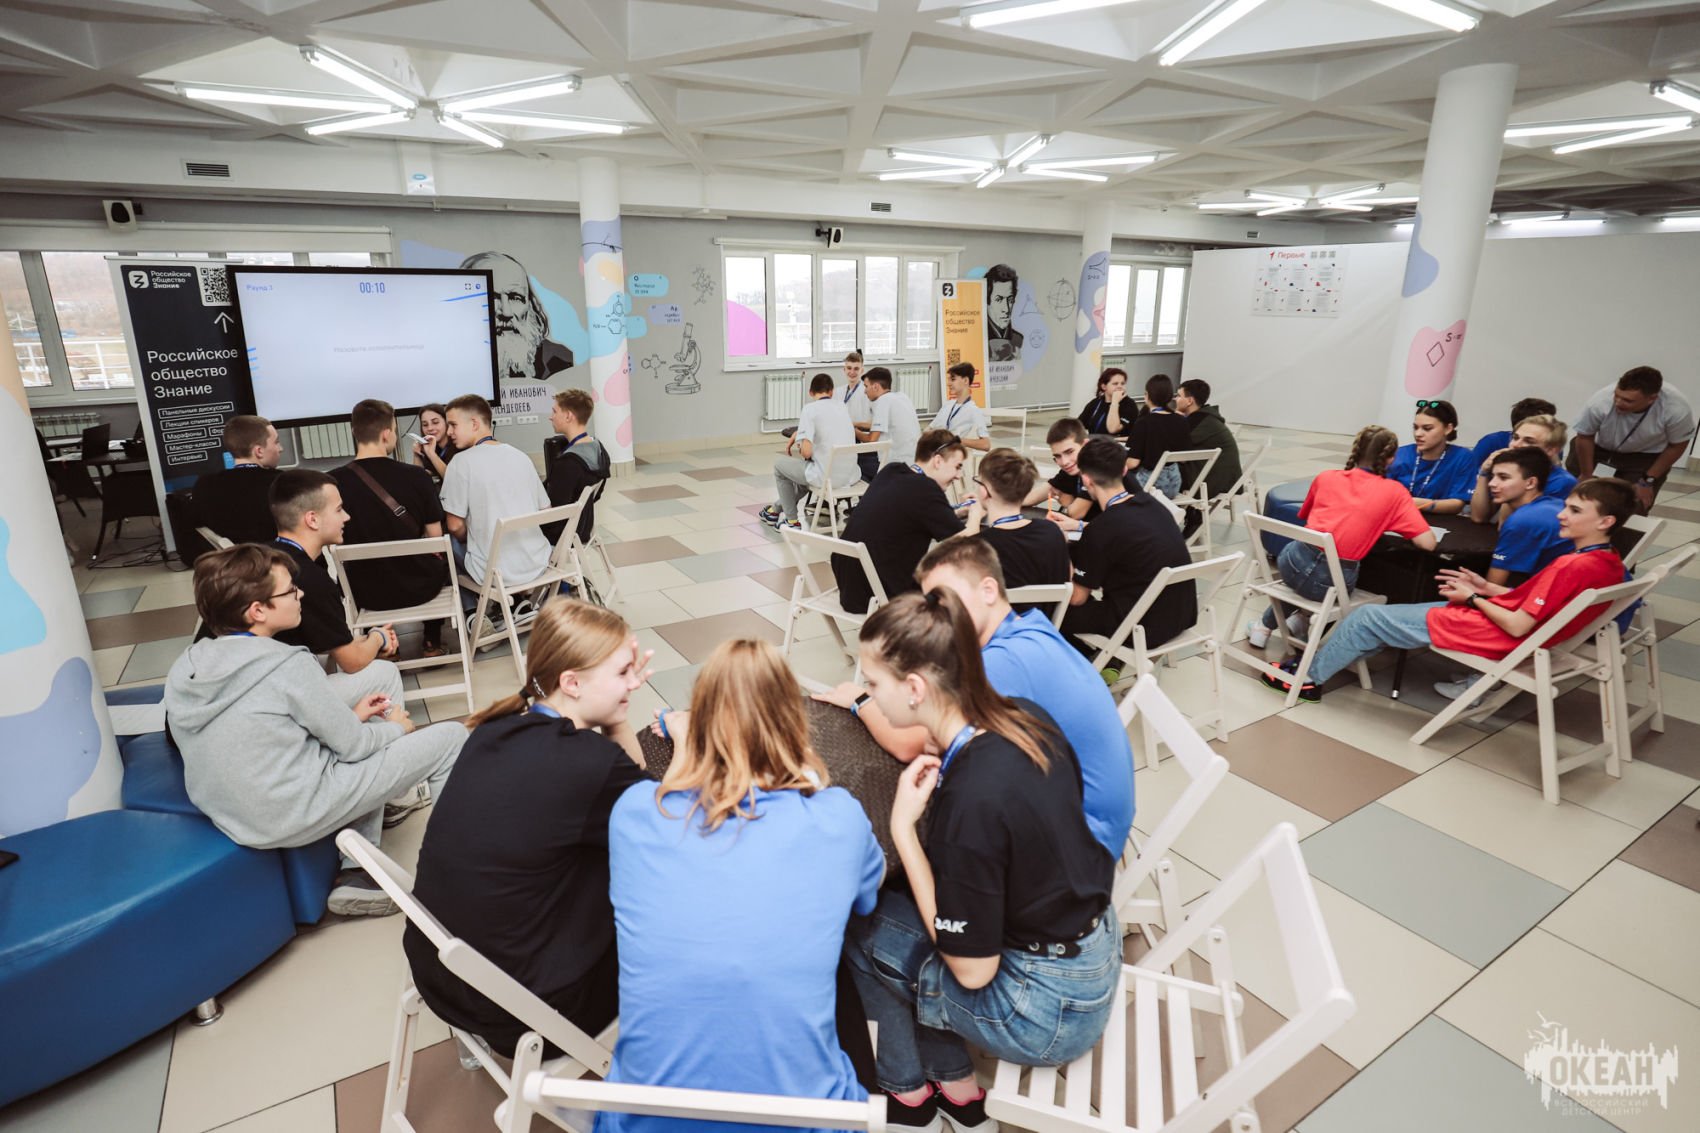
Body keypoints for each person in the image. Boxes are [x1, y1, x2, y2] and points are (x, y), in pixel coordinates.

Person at [846, 591, 1118, 1130]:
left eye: (872, 685)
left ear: (915, 689)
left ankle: (906, 1097)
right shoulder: (1023, 716)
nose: (868, 694)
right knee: (912, 906)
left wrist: (903, 832)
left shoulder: (972, 803)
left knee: (860, 922)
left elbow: (972, 971)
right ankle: (955, 1087)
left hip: (1048, 1011)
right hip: (1092, 947)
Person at [602, 639, 884, 1133]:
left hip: (643, 1121)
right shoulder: (838, 818)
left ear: (701, 724)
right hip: (804, 1122)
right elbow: (867, 896)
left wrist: (682, 743)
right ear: (795, 725)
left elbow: (673, 795)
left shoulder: (633, 813)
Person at [164, 544, 467, 916]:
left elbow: (264, 725)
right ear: (257, 611)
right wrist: (396, 729)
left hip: (229, 814)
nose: (300, 595)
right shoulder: (288, 664)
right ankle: (458, 877)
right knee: (451, 739)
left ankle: (361, 872)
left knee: (370, 705)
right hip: (293, 811)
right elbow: (355, 748)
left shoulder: (187, 665)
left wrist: (353, 718)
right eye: (290, 591)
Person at [404, 600, 651, 1057]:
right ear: (571, 683)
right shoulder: (590, 764)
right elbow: (659, 819)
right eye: (623, 672)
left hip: (441, 974)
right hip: (530, 1013)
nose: (636, 682)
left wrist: (614, 704)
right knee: (662, 892)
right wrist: (635, 727)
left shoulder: (491, 731)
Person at [1262, 478, 1637, 702]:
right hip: (1517, 630)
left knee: (1366, 617)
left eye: (1574, 511)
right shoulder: (1609, 562)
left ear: (1605, 521)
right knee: (1378, 621)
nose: (1561, 515)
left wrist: (1472, 598)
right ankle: (1324, 662)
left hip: (1498, 634)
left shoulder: (1572, 565)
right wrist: (1486, 587)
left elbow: (1519, 625)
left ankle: (1308, 680)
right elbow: (1542, 604)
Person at [1247, 425, 1436, 649]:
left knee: (1306, 575)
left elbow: (1306, 516)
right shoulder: (1395, 492)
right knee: (1324, 579)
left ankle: (1265, 626)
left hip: (1291, 564)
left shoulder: (1325, 477)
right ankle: (1298, 620)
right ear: (1390, 459)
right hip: (1332, 583)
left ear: (1355, 450)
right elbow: (1428, 543)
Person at [1060, 438, 1195, 659]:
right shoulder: (1154, 506)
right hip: (1181, 615)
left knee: (1049, 610)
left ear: (1085, 479)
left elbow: (1076, 598)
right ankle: (1106, 661)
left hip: (1142, 627)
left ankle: (1089, 663)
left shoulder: (1103, 528)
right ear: (1124, 470)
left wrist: (1058, 546)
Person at [269, 469, 398, 674]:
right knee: (386, 673)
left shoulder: (264, 556)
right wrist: (378, 637)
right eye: (338, 510)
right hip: (279, 685)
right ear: (312, 520)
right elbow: (352, 662)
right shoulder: (311, 580)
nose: (346, 517)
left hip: (258, 674)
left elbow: (331, 640)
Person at [831, 429, 966, 614]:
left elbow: (921, 514)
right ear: (937, 461)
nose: (959, 475)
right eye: (957, 467)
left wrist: (958, 511)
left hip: (850, 585)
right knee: (958, 580)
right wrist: (978, 512)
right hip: (877, 594)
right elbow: (965, 541)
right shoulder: (926, 489)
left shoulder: (891, 470)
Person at [440, 393, 553, 596]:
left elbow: (455, 526)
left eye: (453, 425)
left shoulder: (460, 462)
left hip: (493, 573)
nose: (448, 432)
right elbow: (546, 510)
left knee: (447, 539)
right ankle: (518, 603)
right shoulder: (521, 456)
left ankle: (471, 610)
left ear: (474, 423)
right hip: (537, 562)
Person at [1570, 365, 1695, 513]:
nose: (1618, 402)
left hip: (1644, 457)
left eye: (1628, 401)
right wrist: (1586, 474)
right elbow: (1585, 436)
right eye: (1616, 396)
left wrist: (1647, 481)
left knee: (1633, 506)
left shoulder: (1675, 409)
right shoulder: (1600, 401)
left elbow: (1677, 445)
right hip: (1596, 450)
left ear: (1652, 399)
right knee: (1579, 501)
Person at [959, 448, 1070, 596]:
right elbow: (1067, 580)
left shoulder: (979, 546)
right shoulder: (1053, 532)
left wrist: (974, 518)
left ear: (985, 491)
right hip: (1047, 611)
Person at [760, 373, 859, 531]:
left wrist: (801, 443)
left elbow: (806, 453)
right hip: (851, 476)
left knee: (780, 467)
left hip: (826, 477)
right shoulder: (842, 406)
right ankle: (774, 510)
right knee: (805, 477)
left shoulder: (810, 409)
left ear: (810, 392)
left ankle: (792, 521)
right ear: (831, 391)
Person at [460, 251, 575, 381]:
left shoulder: (561, 361)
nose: (506, 313)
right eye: (491, 297)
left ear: (530, 305)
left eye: (515, 298)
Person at [1476, 448, 1569, 588]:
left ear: (1530, 483)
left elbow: (1491, 587)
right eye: (1492, 476)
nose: (1492, 483)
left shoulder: (1523, 520)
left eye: (1503, 477)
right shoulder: (1555, 504)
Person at [193, 414, 283, 545]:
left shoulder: (204, 485)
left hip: (232, 557)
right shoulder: (282, 484)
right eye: (276, 442)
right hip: (277, 556)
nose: (280, 449)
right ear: (259, 451)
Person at [1174, 378, 1242, 540]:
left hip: (1218, 477)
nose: (1175, 399)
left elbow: (1175, 446)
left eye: (1178, 396)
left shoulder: (1200, 421)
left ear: (1189, 401)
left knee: (1165, 474)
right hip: (1215, 470)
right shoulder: (1203, 417)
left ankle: (1190, 516)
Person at [542, 388, 610, 545]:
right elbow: (596, 495)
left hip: (563, 535)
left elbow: (555, 513)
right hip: (583, 527)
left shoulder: (567, 463)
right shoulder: (599, 450)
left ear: (568, 416)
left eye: (554, 411)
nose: (550, 417)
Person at [1387, 399, 1476, 515]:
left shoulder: (1463, 457)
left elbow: (1456, 504)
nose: (1418, 434)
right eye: (1415, 427)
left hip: (1442, 522)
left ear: (1448, 429)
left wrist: (1409, 502)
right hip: (1397, 517)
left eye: (1427, 428)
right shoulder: (1399, 454)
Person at [1124, 374, 1190, 499]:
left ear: (1147, 395)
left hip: (1150, 484)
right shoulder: (1181, 420)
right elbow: (1183, 459)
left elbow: (1132, 463)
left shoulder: (1144, 422)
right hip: (1174, 484)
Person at [859, 366, 921, 467]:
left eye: (866, 386)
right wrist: (855, 424)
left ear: (875, 387)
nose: (865, 391)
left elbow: (871, 440)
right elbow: (880, 426)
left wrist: (853, 430)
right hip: (914, 459)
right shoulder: (902, 397)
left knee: (860, 460)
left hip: (897, 463)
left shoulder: (882, 401)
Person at [1470, 397, 1556, 468]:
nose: (1553, 425)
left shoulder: (1551, 446)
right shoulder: (1492, 442)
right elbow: (1470, 476)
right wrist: (1484, 471)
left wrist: (1555, 463)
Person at [928, 362, 992, 452]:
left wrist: (959, 441)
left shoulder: (973, 410)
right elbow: (929, 429)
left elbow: (986, 444)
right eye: (948, 380)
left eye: (953, 379)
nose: (948, 383)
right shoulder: (947, 405)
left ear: (965, 381)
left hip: (952, 454)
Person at [838, 351, 879, 482]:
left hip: (862, 440)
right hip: (844, 438)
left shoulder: (868, 392)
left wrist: (854, 425)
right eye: (849, 368)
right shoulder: (839, 392)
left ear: (862, 370)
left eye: (856, 369)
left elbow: (877, 423)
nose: (852, 372)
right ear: (844, 370)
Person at [1078, 367, 1133, 438]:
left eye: (1122, 383)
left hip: (1117, 444)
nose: (1120, 386)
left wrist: (1115, 402)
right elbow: (1079, 425)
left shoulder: (1129, 404)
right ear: (1104, 387)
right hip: (1095, 442)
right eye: (1115, 384)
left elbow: (1113, 429)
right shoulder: (1096, 403)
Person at [985, 263, 1024, 362]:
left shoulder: (1018, 339)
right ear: (986, 300)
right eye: (999, 300)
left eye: (1010, 300)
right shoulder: (977, 339)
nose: (1006, 309)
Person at [413, 402, 455, 482]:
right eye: (425, 425)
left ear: (446, 422)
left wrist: (431, 454)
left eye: (435, 422)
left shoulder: (459, 447)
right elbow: (417, 481)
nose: (430, 428)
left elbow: (452, 481)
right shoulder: (429, 448)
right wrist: (417, 455)